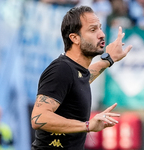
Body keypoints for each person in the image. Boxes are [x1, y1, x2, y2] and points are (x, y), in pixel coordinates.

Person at [31, 6, 132, 150]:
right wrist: (88, 125)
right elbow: (38, 118)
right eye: (93, 30)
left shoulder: (74, 70)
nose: (102, 34)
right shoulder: (61, 69)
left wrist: (109, 60)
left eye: (100, 28)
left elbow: (82, 79)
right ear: (74, 38)